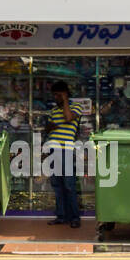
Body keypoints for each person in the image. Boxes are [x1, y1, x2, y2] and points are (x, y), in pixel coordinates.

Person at [44, 80, 81, 228]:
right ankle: (61, 216)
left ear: (65, 94)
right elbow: (47, 129)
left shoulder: (75, 107)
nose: (56, 98)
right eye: (54, 95)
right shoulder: (53, 111)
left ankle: (74, 217)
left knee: (69, 185)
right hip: (53, 149)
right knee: (57, 185)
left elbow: (68, 118)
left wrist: (65, 100)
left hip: (65, 150)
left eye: (59, 95)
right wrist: (49, 127)